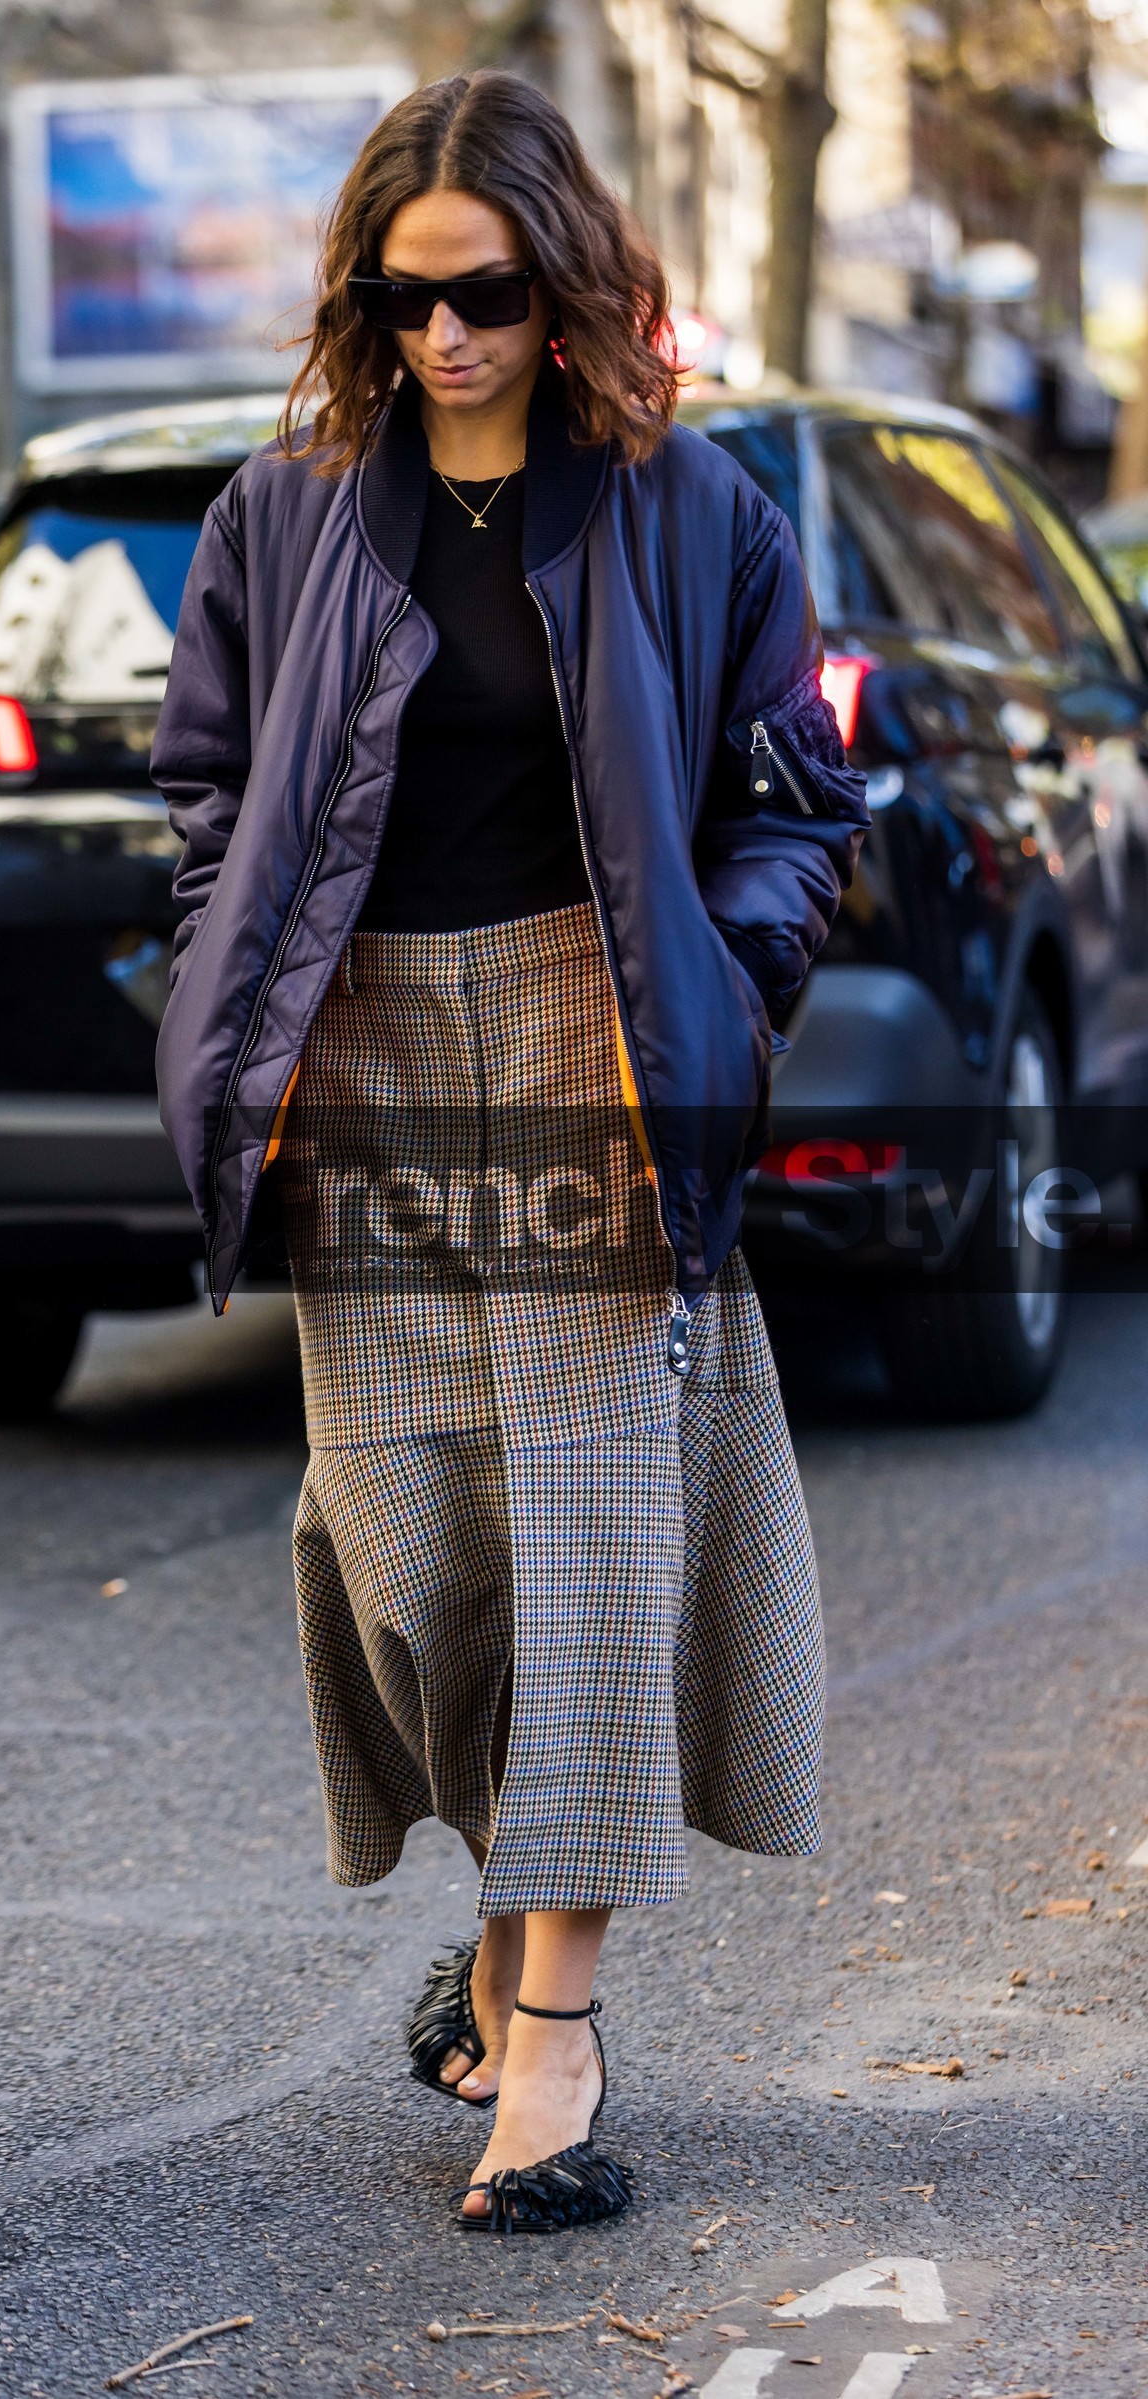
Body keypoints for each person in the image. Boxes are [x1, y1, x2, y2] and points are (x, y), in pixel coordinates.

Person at [152, 72, 868, 2236]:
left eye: (482, 297)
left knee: (586, 1548)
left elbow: (790, 805)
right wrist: (217, 988)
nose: (444, 338)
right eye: (402, 297)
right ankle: (499, 1924)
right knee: (414, 1554)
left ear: (558, 289)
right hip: (358, 1047)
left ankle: (546, 2034)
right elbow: (205, 798)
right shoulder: (282, 515)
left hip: (590, 1035)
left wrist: (716, 994)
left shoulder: (691, 509)